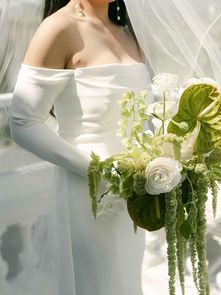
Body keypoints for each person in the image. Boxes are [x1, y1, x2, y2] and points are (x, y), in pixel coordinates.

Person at [10, 0, 153, 294]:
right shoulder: (58, 28)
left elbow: (140, 114)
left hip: (134, 195)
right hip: (88, 196)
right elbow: (23, 122)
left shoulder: (124, 28)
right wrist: (98, 170)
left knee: (126, 283)